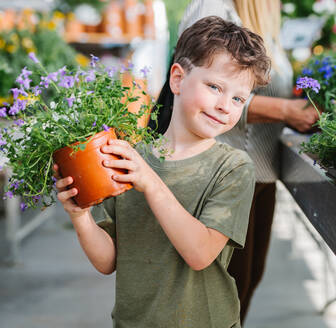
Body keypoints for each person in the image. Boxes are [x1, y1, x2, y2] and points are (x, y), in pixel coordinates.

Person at [55, 16, 271, 327]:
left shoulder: (233, 167)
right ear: (178, 79)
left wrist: (151, 183)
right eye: (214, 87)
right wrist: (81, 216)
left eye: (238, 98)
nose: (225, 105)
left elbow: (199, 254)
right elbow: (108, 261)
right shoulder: (128, 157)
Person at [148, 0, 320, 322]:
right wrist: (286, 111)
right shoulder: (213, 7)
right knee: (216, 294)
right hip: (214, 173)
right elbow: (202, 85)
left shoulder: (265, 17)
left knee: (243, 286)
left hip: (260, 171)